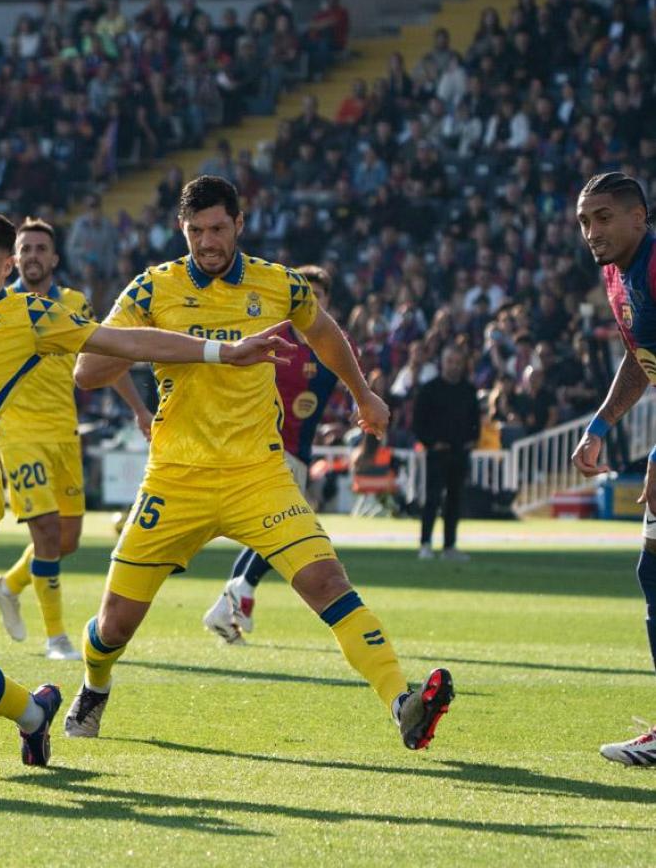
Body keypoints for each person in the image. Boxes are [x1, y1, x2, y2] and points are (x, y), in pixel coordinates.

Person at [0, 209, 288, 767]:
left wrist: (221, 350)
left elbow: (123, 342)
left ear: (6, 267)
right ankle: (32, 712)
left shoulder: (32, 316)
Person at [70, 176, 453, 751]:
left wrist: (363, 393)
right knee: (114, 626)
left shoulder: (279, 284)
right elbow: (87, 371)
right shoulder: (152, 290)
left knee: (327, 580)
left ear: (240, 225)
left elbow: (324, 334)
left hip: (259, 475)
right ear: (182, 230)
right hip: (177, 479)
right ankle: (94, 686)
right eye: (196, 231)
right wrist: (158, 342)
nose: (207, 242)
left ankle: (402, 701)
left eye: (218, 229)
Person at [191, 264, 345, 642]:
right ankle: (240, 591)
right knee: (291, 528)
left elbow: (342, 380)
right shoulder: (271, 338)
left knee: (272, 533)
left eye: (318, 297)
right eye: (305, 296)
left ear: (327, 303)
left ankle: (228, 605)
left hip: (301, 452)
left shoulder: (330, 343)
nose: (311, 303)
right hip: (270, 448)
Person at [568, 172, 656, 766]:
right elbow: (642, 359)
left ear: (638, 219)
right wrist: (599, 426)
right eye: (583, 222)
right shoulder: (616, 277)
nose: (591, 232)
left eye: (602, 218)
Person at [0, 218, 92, 661]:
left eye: (40, 248)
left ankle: (8, 586)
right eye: (24, 248)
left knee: (67, 541)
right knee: (46, 534)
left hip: (64, 434)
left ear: (53, 258)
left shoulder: (74, 303)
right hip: (19, 434)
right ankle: (57, 638)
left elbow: (99, 350)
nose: (32, 255)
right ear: (13, 259)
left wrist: (141, 410)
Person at [414, 345, 480, 561]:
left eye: (458, 362)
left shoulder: (468, 390)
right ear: (443, 363)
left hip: (460, 453)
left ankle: (449, 546)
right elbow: (418, 423)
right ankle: (425, 543)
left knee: (455, 500)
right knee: (432, 499)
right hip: (437, 454)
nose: (454, 366)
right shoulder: (429, 389)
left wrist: (471, 440)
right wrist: (432, 443)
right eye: (450, 361)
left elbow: (475, 421)